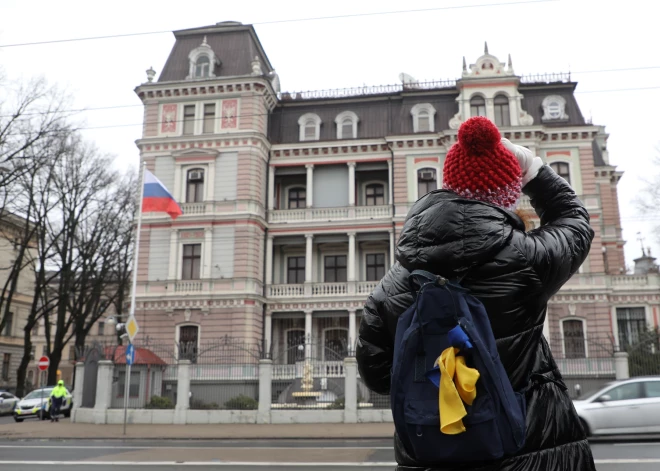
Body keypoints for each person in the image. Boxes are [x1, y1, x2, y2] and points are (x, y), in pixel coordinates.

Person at [356, 116, 596, 471]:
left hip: (431, 450)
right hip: (527, 447)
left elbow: (377, 375)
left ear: (447, 185)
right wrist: (533, 170)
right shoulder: (528, 260)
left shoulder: (392, 284)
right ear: (508, 194)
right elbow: (574, 220)